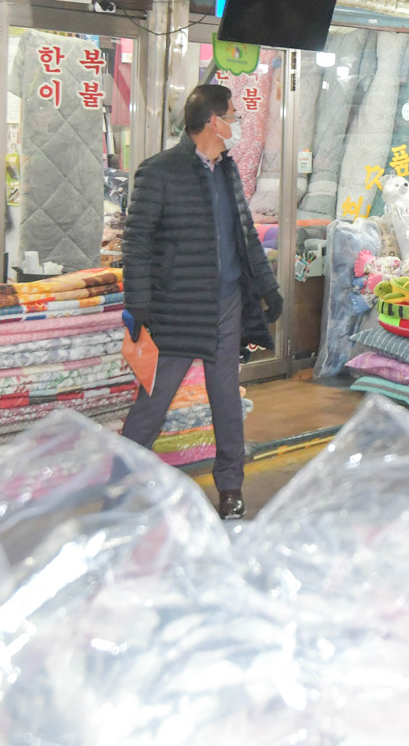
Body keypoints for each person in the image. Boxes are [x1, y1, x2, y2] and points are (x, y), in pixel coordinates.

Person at [120, 84, 282, 520]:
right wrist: (140, 304)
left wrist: (268, 289)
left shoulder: (227, 170)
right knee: (152, 403)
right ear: (213, 121)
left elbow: (246, 238)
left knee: (226, 399)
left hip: (227, 304)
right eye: (233, 116)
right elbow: (136, 243)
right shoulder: (159, 171)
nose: (237, 123)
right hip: (176, 308)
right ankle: (119, 490)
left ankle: (230, 487)